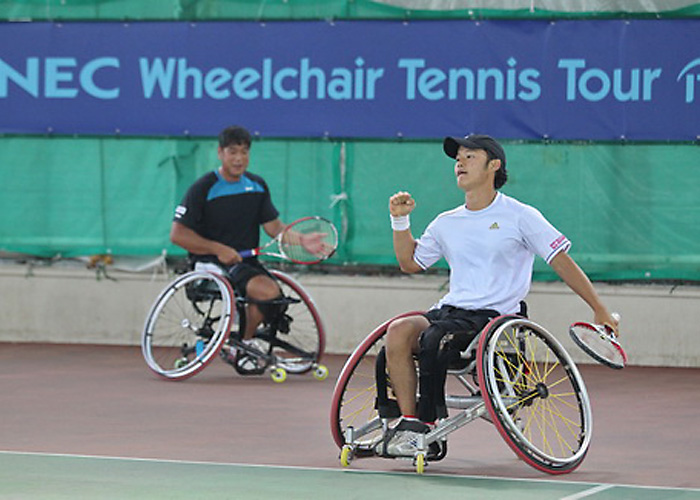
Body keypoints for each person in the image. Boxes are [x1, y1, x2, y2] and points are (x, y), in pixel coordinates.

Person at [382, 133, 619, 457]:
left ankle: (429, 422)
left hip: (494, 316)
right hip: (450, 310)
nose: (459, 163)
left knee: (434, 337)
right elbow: (410, 263)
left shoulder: (521, 216)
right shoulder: (445, 222)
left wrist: (599, 308)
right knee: (397, 332)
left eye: (470, 157)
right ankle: (411, 426)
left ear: (494, 165)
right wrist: (400, 219)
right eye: (457, 158)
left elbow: (561, 261)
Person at [170, 125, 286, 364]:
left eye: (244, 152)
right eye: (233, 152)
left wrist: (302, 239)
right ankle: (243, 344)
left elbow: (274, 228)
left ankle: (242, 341)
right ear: (220, 153)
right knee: (267, 291)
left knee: (275, 300)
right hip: (210, 263)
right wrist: (218, 249)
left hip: (246, 263)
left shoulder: (257, 185)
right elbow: (178, 235)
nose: (239, 158)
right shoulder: (203, 188)